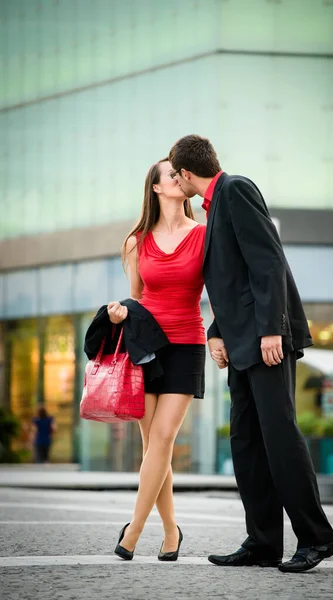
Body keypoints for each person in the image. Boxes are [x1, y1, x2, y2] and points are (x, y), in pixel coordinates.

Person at [168, 135, 333, 573]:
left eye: (174, 174)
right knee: (246, 443)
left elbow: (268, 264)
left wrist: (270, 331)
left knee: (280, 436)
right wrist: (217, 331)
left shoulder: (236, 189)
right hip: (242, 345)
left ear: (187, 174)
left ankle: (316, 539)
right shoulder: (214, 207)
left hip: (267, 342)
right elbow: (231, 281)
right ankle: (263, 542)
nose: (174, 181)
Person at [108, 158, 206, 561]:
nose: (180, 178)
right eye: (173, 174)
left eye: (182, 174)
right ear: (157, 188)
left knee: (163, 437)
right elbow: (136, 298)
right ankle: (171, 532)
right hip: (146, 345)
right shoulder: (136, 240)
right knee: (153, 447)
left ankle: (133, 531)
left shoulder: (203, 235)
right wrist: (120, 312)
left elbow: (215, 289)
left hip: (187, 343)